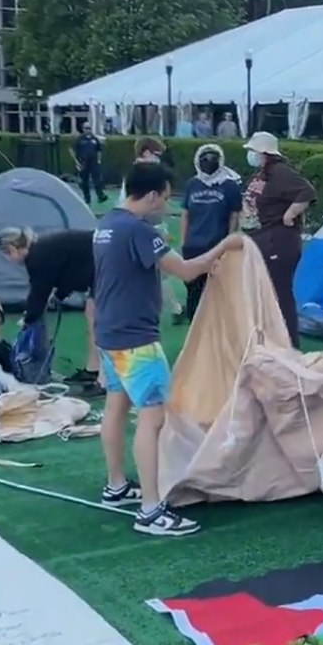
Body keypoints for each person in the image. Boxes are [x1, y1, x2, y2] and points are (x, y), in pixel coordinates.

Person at [93, 162, 223, 537]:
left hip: (110, 335)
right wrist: (225, 247)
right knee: (151, 420)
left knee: (115, 409)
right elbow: (183, 271)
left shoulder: (106, 225)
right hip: (136, 342)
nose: (167, 205)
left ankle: (116, 486)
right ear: (151, 195)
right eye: (165, 198)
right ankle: (151, 510)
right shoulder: (138, 230)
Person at [209, 131, 316, 348]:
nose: (250, 154)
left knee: (280, 294)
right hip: (261, 238)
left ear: (264, 153)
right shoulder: (263, 174)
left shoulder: (281, 172)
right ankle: (270, 341)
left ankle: (289, 344)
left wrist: (290, 215)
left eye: (253, 151)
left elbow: (307, 191)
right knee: (266, 293)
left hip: (277, 240)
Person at [0, 226, 101, 392]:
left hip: (106, 264)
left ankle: (102, 378)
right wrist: (59, 295)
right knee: (92, 315)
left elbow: (39, 292)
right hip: (98, 264)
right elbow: (69, 273)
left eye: (5, 255)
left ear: (12, 249)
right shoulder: (43, 248)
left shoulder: (37, 257)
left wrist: (29, 318)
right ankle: (94, 369)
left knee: (97, 321)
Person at [119, 137, 185, 325]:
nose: (159, 158)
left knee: (154, 272)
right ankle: (174, 308)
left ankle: (173, 308)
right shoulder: (142, 175)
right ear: (146, 152)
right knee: (159, 271)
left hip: (147, 224)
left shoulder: (138, 173)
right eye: (156, 153)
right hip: (146, 225)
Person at [180, 143, 242, 319]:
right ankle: (194, 328)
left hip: (217, 246)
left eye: (213, 159)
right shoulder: (192, 184)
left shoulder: (229, 186)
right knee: (193, 291)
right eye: (204, 159)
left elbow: (234, 216)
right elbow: (185, 214)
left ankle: (216, 330)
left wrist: (228, 241)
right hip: (193, 246)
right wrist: (184, 242)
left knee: (216, 290)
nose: (208, 162)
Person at [73, 122, 107, 206]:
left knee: (97, 179)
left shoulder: (95, 139)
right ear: (83, 129)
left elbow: (99, 150)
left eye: (89, 128)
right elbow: (74, 151)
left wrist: (99, 160)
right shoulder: (79, 139)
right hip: (83, 163)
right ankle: (87, 198)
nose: (88, 130)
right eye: (86, 128)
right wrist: (77, 163)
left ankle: (100, 196)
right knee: (85, 181)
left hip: (94, 162)